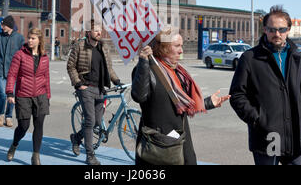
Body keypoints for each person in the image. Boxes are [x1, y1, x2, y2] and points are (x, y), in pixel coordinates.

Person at [229, 5, 301, 165]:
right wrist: (258, 118)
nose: (277, 34)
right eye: (272, 29)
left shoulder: (296, 58)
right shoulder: (250, 58)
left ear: (288, 30)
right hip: (268, 136)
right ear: (265, 30)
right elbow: (236, 95)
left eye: (281, 29)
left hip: (294, 137)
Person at [131, 26, 230, 165]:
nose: (181, 50)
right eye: (177, 46)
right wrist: (143, 62)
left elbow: (183, 104)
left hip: (181, 140)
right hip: (158, 145)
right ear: (164, 47)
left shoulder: (178, 72)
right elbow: (139, 96)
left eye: (181, 46)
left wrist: (208, 103)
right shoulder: (147, 68)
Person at [67, 20, 123, 165]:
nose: (99, 33)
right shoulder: (80, 46)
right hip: (85, 87)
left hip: (100, 88)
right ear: (88, 32)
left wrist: (117, 81)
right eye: (96, 30)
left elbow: (109, 68)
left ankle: (77, 138)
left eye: (100, 30)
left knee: (97, 122)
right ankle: (90, 155)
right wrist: (78, 83)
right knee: (90, 120)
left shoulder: (103, 48)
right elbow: (71, 66)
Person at [5, 28, 50, 165]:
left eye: (33, 38)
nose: (29, 40)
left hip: (41, 96)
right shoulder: (20, 55)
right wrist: (9, 93)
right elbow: (12, 74)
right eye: (29, 38)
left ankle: (35, 156)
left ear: (39, 40)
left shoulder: (44, 57)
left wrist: (48, 95)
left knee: (39, 126)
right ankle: (14, 144)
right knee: (23, 126)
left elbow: (46, 77)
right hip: (23, 95)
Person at [0, 15, 25, 127]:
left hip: (14, 71)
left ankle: (9, 116)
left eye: (3, 25)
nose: (2, 27)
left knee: (12, 95)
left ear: (9, 26)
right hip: (1, 69)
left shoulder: (19, 38)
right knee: (2, 94)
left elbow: (23, 54)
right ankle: (1, 114)